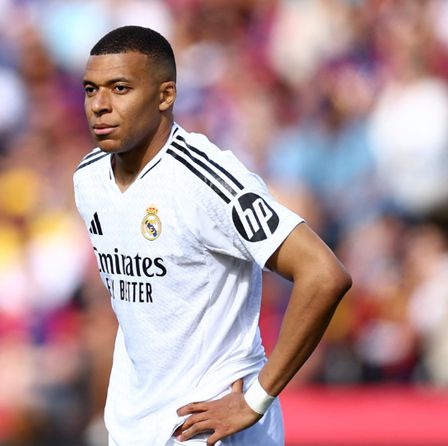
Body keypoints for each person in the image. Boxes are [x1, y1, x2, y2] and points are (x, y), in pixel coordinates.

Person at [72, 26, 352, 446]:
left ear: (165, 96)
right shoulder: (89, 178)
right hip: (134, 426)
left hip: (210, 427)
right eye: (91, 90)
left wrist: (256, 399)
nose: (100, 105)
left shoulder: (206, 182)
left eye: (120, 88)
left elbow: (324, 274)